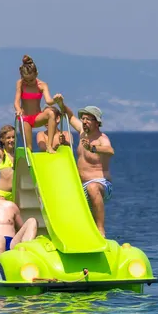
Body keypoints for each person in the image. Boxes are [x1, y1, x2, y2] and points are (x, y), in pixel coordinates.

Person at [54, 95, 114, 237]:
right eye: (83, 119)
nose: (84, 121)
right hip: (81, 185)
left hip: (101, 185)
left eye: (88, 119)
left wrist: (93, 148)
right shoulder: (82, 133)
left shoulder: (102, 139)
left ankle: (100, 229)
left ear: (97, 122)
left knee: (92, 187)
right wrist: (61, 104)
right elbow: (69, 116)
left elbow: (110, 151)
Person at [14, 54, 58, 154]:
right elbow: (16, 101)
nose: (29, 82)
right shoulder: (20, 83)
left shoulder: (42, 85)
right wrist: (18, 109)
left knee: (51, 113)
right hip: (25, 118)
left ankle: (49, 146)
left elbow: (49, 101)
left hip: (37, 117)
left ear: (36, 74)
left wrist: (56, 100)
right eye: (26, 80)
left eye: (31, 79)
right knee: (29, 149)